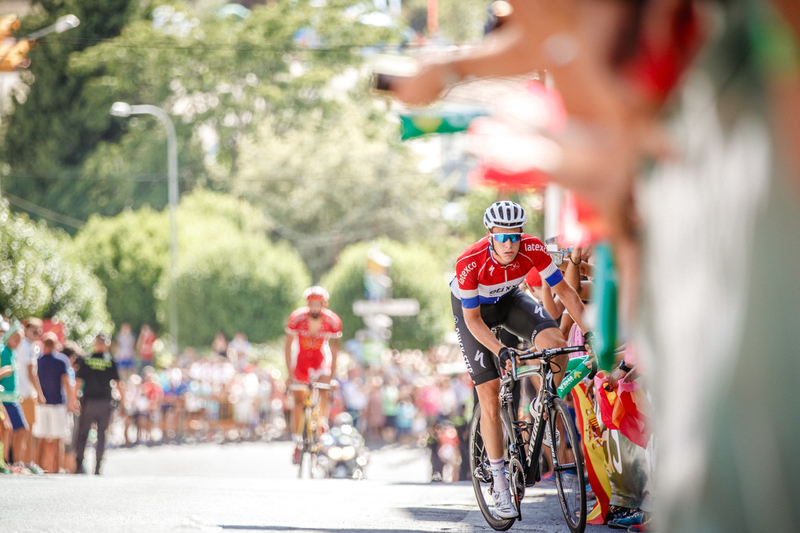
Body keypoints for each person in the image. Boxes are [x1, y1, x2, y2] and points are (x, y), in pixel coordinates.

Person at [450, 201, 589, 518]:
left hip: (510, 300)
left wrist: (591, 333)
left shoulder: (533, 248)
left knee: (555, 342)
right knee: (490, 392)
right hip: (475, 314)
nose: (510, 244)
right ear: (490, 235)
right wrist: (499, 349)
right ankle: (499, 484)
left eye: (515, 236)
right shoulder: (470, 262)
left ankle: (545, 400)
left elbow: (565, 292)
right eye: (503, 237)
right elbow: (473, 321)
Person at [284, 286, 342, 464]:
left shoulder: (333, 321)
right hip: (301, 361)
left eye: (319, 304)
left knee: (324, 389)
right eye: (312, 304)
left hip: (320, 359)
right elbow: (288, 346)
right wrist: (289, 373)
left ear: (324, 304)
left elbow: (335, 350)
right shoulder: (296, 318)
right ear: (308, 304)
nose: (315, 308)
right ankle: (297, 442)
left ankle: (322, 423)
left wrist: (332, 376)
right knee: (298, 401)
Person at [74, 334, 125, 475]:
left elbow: (78, 382)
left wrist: (73, 400)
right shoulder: (110, 362)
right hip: (104, 403)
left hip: (89, 402)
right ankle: (97, 468)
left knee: (82, 434)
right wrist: (124, 403)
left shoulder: (86, 360)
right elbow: (119, 384)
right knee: (101, 435)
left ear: (95, 344)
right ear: (107, 345)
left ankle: (79, 465)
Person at [32, 333, 77, 473]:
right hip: (58, 403)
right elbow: (66, 382)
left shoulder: (38, 360)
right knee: (58, 439)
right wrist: (72, 401)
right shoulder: (62, 360)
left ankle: (38, 468)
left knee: (41, 439)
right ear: (56, 344)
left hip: (42, 404)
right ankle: (57, 469)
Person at [16, 318, 46, 473]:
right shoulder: (28, 347)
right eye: (34, 331)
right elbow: (31, 372)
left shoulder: (19, 345)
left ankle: (20, 461)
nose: (37, 334)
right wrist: (39, 393)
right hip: (27, 392)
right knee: (28, 429)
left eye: (39, 332)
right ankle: (26, 462)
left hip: (18, 391)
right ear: (26, 330)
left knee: (21, 429)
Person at [0, 324, 27, 469]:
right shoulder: (2, 351)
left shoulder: (12, 353)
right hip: (4, 398)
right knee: (8, 429)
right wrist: (5, 370)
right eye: (15, 337)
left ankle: (15, 462)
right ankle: (7, 461)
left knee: (20, 429)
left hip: (12, 397)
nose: (18, 340)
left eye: (20, 338)